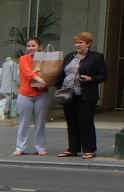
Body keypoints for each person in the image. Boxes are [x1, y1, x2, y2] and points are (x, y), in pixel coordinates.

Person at [55, 31, 108, 159]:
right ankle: (72, 148)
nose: (77, 45)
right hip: (68, 94)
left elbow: (103, 75)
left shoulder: (96, 57)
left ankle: (89, 149)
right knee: (71, 122)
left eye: (80, 42)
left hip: (86, 95)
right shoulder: (69, 56)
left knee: (85, 121)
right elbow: (63, 73)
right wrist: (59, 87)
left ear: (88, 44)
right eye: (76, 43)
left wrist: (90, 79)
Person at [14, 37, 49, 157]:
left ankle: (40, 147)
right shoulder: (23, 59)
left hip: (41, 94)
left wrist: (45, 82)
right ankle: (20, 147)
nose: (30, 48)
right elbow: (28, 72)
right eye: (29, 46)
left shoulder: (45, 59)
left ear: (39, 47)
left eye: (33, 46)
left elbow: (51, 72)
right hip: (25, 94)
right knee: (24, 122)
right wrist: (40, 80)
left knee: (40, 122)